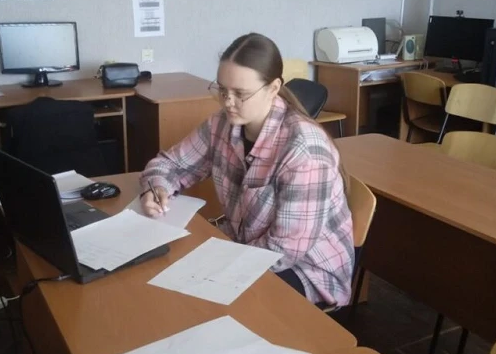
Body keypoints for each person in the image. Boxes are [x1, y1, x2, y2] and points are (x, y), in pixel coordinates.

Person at [139, 33, 354, 307]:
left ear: (273, 88)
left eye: (240, 94)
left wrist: (218, 264)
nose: (227, 102)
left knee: (197, 304)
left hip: (306, 270)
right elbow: (169, 164)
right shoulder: (221, 124)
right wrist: (157, 187)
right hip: (245, 249)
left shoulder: (304, 151)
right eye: (222, 90)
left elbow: (285, 249)